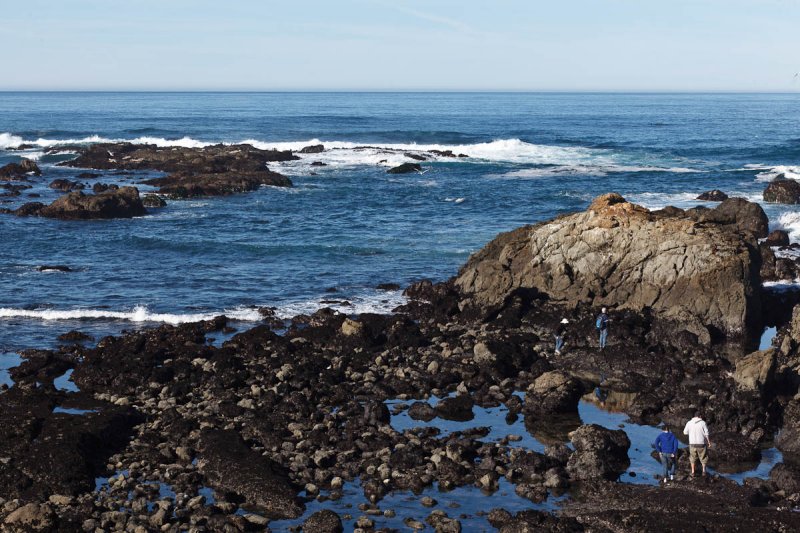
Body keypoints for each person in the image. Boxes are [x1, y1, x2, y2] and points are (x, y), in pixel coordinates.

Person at [683, 412, 712, 477]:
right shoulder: (703, 423)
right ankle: (704, 471)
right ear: (700, 416)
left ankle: (693, 472)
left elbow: (685, 432)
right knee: (703, 457)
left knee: (692, 458)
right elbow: (706, 433)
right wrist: (709, 442)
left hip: (692, 443)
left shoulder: (689, 423)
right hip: (701, 443)